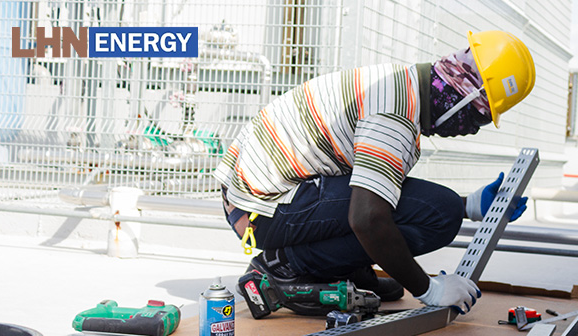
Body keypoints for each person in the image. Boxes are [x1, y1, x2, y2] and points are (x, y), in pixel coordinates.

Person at [214, 30, 535, 315]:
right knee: (439, 214)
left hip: (262, 197)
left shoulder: (401, 86)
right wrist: (428, 289)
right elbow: (367, 218)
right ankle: (284, 266)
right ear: (463, 97)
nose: (472, 131)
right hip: (262, 210)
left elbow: (375, 190)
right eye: (479, 117)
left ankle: (338, 268)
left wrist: (471, 205)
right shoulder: (395, 115)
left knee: (442, 207)